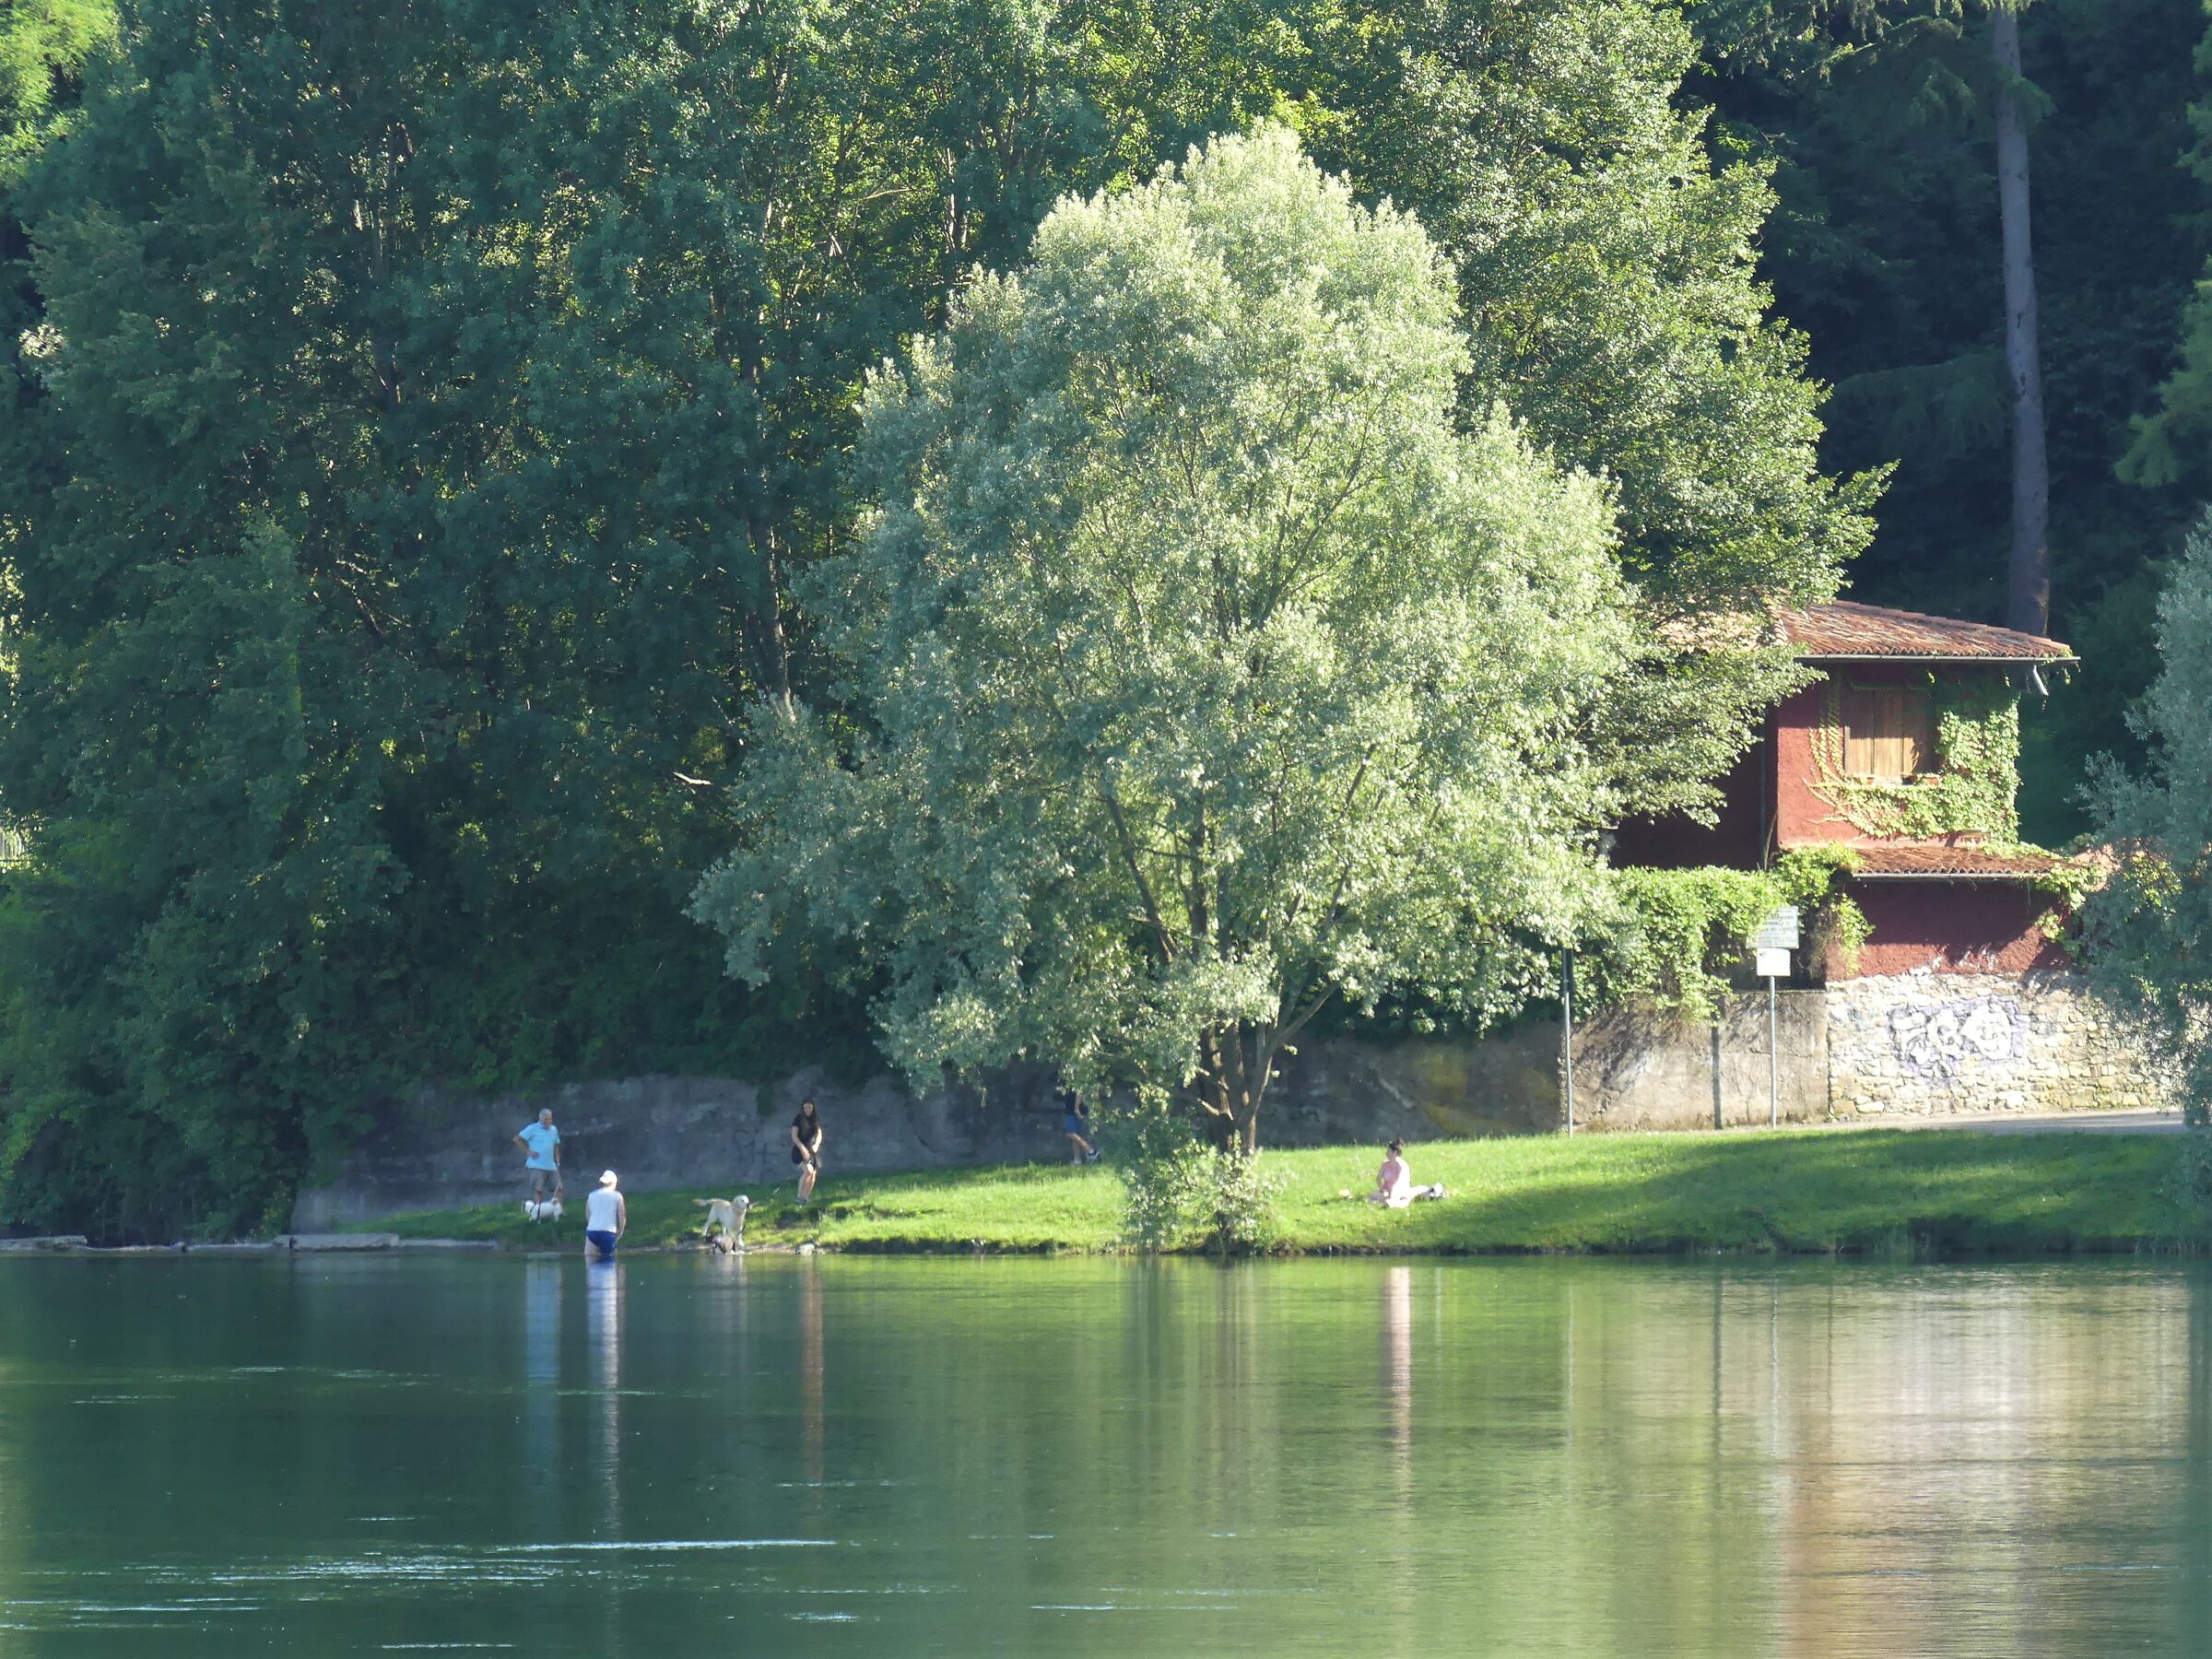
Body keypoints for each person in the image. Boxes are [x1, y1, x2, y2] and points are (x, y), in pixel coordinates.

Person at [1367, 1139, 1446, 1208]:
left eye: (1388, 1151)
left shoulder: (1401, 1165)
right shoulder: (1385, 1164)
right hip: (1386, 1191)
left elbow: (1400, 1182)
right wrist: (1382, 1189)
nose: (1386, 1153)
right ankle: (1386, 1201)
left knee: (1402, 1200)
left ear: (1394, 1153)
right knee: (1373, 1195)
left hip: (1400, 1191)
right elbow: (1378, 1178)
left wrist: (1391, 1192)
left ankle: (1391, 1203)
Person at [513, 1107, 562, 1206]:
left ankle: (558, 1210)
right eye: (545, 1119)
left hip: (551, 1165)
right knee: (538, 1190)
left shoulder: (554, 1129)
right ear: (540, 1118)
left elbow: (557, 1144)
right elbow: (517, 1139)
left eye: (549, 1119)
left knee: (559, 1188)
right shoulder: (533, 1128)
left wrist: (557, 1158)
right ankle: (538, 1211)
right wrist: (528, 1151)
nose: (548, 1121)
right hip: (536, 1165)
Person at [584, 1170, 626, 1260]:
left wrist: (593, 1225)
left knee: (589, 1262)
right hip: (608, 1232)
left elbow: (588, 1214)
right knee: (609, 1263)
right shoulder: (617, 1196)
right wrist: (620, 1232)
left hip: (592, 1231)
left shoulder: (592, 1195)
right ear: (613, 1182)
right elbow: (622, 1216)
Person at [790, 1099, 824, 1202]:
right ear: (802, 1108)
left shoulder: (815, 1119)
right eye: (805, 1107)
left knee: (813, 1173)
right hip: (800, 1152)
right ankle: (799, 1197)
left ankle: (805, 1198)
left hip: (811, 1152)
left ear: (813, 1108)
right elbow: (794, 1136)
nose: (807, 1110)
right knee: (808, 1170)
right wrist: (803, 1149)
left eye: (809, 1107)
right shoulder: (798, 1119)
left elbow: (819, 1134)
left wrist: (816, 1145)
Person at [1062, 1091, 1099, 1165]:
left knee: (1070, 1133)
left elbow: (1079, 1090)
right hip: (1071, 1109)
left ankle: (1091, 1152)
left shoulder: (1073, 1080)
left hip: (1074, 1110)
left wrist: (1076, 1108)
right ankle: (1077, 1160)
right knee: (1075, 1134)